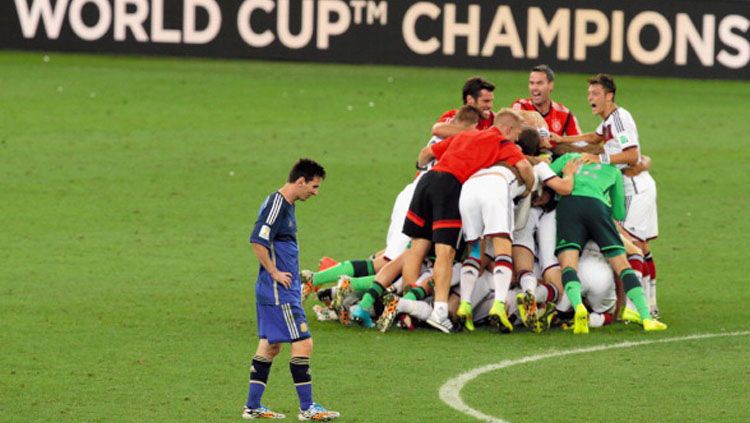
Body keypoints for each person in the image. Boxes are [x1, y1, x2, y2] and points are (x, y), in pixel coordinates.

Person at [402, 109, 535, 333]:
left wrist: (419, 169)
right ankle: (440, 312)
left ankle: (406, 304)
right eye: (517, 133)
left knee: (418, 247)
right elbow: (524, 168)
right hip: (451, 186)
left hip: (427, 181)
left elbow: (425, 153)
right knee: (446, 252)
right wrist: (528, 189)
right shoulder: (503, 143)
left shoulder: (466, 134)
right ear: (509, 129)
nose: (517, 139)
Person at [552, 74, 660, 318]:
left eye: (596, 94)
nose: (591, 98)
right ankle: (650, 303)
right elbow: (594, 137)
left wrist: (599, 158)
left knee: (627, 244)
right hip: (637, 183)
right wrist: (563, 139)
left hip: (633, 186)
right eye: (589, 94)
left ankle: (629, 308)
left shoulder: (620, 119)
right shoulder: (611, 119)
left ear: (609, 96)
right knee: (640, 244)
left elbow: (631, 155)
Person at [243, 159, 339, 421]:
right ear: (300, 182)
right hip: (278, 291)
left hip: (277, 289)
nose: (316, 192)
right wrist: (274, 272)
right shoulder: (277, 205)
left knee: (270, 346)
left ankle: (252, 407)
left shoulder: (287, 204)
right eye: (314, 186)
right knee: (304, 343)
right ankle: (307, 409)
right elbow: (257, 240)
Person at [544, 152, 667, 334]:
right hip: (598, 208)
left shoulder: (568, 157)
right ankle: (645, 317)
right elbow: (618, 212)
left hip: (569, 206)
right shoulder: (613, 170)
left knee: (569, 264)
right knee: (622, 265)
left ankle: (578, 308)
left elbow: (546, 175)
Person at [512, 65, 581, 144]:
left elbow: (579, 143)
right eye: (531, 83)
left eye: (539, 83)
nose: (534, 88)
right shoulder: (520, 106)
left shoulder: (564, 113)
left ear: (550, 85)